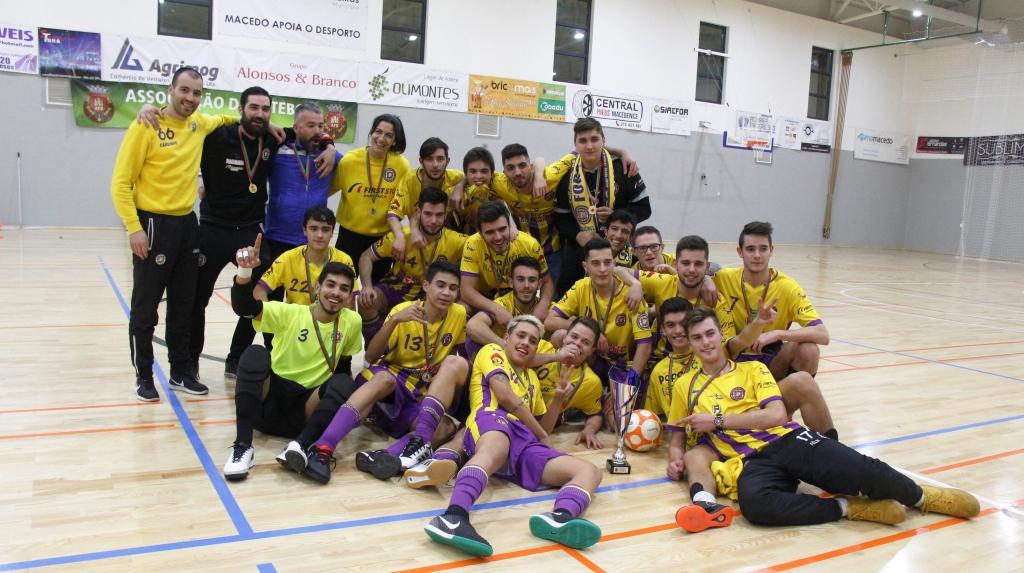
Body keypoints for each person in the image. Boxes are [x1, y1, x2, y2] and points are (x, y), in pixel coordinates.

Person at [667, 307, 980, 532]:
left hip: (786, 440)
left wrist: (718, 421)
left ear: (721, 334)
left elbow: (776, 414)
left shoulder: (752, 369)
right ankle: (848, 508)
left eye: (710, 334)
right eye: (697, 338)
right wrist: (675, 459)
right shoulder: (684, 385)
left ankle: (923, 497)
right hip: (750, 460)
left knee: (861, 469)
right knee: (755, 507)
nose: (706, 342)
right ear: (690, 343)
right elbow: (677, 436)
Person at [423, 315, 603, 557]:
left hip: (523, 441)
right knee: (495, 448)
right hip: (492, 418)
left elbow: (544, 429)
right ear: (507, 338)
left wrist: (558, 398)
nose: (526, 343)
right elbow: (505, 396)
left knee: (590, 471)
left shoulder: (532, 380)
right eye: (521, 336)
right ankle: (453, 517)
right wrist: (541, 435)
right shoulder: (493, 351)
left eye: (533, 340)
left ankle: (560, 518)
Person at [111, 67, 239, 402]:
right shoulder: (146, 125)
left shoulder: (199, 124)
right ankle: (143, 376)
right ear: (170, 89)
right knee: (146, 308)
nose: (190, 98)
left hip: (187, 225)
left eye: (197, 93)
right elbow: (120, 183)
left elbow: (228, 118)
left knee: (183, 305)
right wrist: (134, 228)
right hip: (153, 225)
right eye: (184, 90)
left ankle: (180, 372)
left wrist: (266, 125)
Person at [637, 236, 836, 436]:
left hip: (732, 385)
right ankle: (767, 419)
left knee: (803, 376)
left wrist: (764, 326)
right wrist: (635, 285)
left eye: (698, 264)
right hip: (698, 392)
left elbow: (735, 345)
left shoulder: (719, 303)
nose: (691, 269)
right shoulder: (664, 284)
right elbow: (620, 272)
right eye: (686, 263)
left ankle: (820, 440)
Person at [297, 261, 469, 484]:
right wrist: (395, 320)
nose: (446, 293)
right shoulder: (403, 311)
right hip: (388, 381)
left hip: (417, 394)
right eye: (441, 285)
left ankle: (384, 457)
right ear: (426, 286)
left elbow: (455, 353)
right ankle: (323, 447)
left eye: (453, 288)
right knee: (385, 380)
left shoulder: (458, 314)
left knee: (445, 426)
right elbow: (370, 356)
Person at [223, 236, 362, 480]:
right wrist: (244, 272)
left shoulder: (352, 322)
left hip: (305, 412)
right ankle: (243, 447)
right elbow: (245, 307)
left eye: (343, 289)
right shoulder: (290, 312)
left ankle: (299, 446)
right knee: (255, 354)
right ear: (317, 288)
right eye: (330, 285)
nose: (336, 292)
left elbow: (344, 365)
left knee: (343, 381)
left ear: (350, 296)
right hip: (267, 404)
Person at [714, 222, 829, 381]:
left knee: (809, 350)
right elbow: (691, 271)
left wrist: (776, 334)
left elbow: (822, 334)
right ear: (740, 252)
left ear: (771, 250)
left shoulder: (787, 287)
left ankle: (783, 394)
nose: (757, 255)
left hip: (772, 360)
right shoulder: (723, 278)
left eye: (763, 249)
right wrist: (706, 281)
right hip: (733, 357)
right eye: (750, 249)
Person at [551, 118, 651, 297]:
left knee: (622, 297)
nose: (589, 146)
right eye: (583, 141)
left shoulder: (624, 168)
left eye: (594, 139)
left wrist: (617, 216)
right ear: (575, 144)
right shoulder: (566, 174)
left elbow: (644, 208)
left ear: (603, 140)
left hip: (620, 247)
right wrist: (577, 234)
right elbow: (560, 217)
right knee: (570, 297)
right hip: (580, 250)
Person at [359, 187, 467, 343]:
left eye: (439, 215)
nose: (433, 221)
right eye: (428, 214)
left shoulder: (456, 240)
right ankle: (375, 349)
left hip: (431, 292)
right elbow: (366, 257)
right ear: (418, 212)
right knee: (366, 302)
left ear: (446, 215)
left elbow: (479, 243)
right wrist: (367, 286)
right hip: (397, 285)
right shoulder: (401, 236)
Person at [545, 238, 653, 383]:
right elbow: (549, 321)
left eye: (607, 262)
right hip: (592, 357)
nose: (602, 269)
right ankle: (570, 383)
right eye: (596, 263)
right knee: (560, 336)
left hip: (622, 366)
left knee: (623, 394)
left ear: (614, 264)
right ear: (586, 266)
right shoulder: (581, 287)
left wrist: (630, 383)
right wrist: (592, 331)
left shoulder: (632, 294)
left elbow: (645, 345)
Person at [331, 114, 411, 283]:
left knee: (376, 291)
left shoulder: (401, 165)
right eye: (378, 132)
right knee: (341, 286)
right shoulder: (349, 161)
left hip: (382, 239)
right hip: (349, 237)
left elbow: (405, 202)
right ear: (371, 133)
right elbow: (326, 190)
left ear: (394, 141)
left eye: (388, 135)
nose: (381, 138)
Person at [262, 102, 342, 261]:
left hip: (313, 239)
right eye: (311, 125)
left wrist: (331, 149)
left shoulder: (330, 156)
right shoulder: (277, 151)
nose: (317, 131)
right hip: (277, 236)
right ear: (296, 128)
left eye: (320, 126)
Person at [460, 200, 554, 325]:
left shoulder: (529, 244)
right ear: (480, 233)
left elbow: (546, 282)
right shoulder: (472, 244)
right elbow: (466, 291)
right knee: (461, 310)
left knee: (551, 318)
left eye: (502, 229)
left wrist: (543, 304)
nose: (498, 237)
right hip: (486, 298)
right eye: (490, 232)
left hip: (521, 298)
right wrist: (496, 309)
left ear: (510, 225)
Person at [386, 137, 464, 262]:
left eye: (440, 159)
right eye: (429, 159)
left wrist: (460, 187)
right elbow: (393, 213)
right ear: (421, 162)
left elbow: (470, 177)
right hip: (418, 240)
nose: (435, 165)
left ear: (447, 161)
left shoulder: (456, 177)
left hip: (449, 242)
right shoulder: (409, 180)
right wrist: (400, 236)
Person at [447, 147, 495, 234]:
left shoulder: (500, 192)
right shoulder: (452, 194)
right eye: (473, 171)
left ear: (492, 174)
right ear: (465, 174)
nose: (478, 176)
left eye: (484, 171)